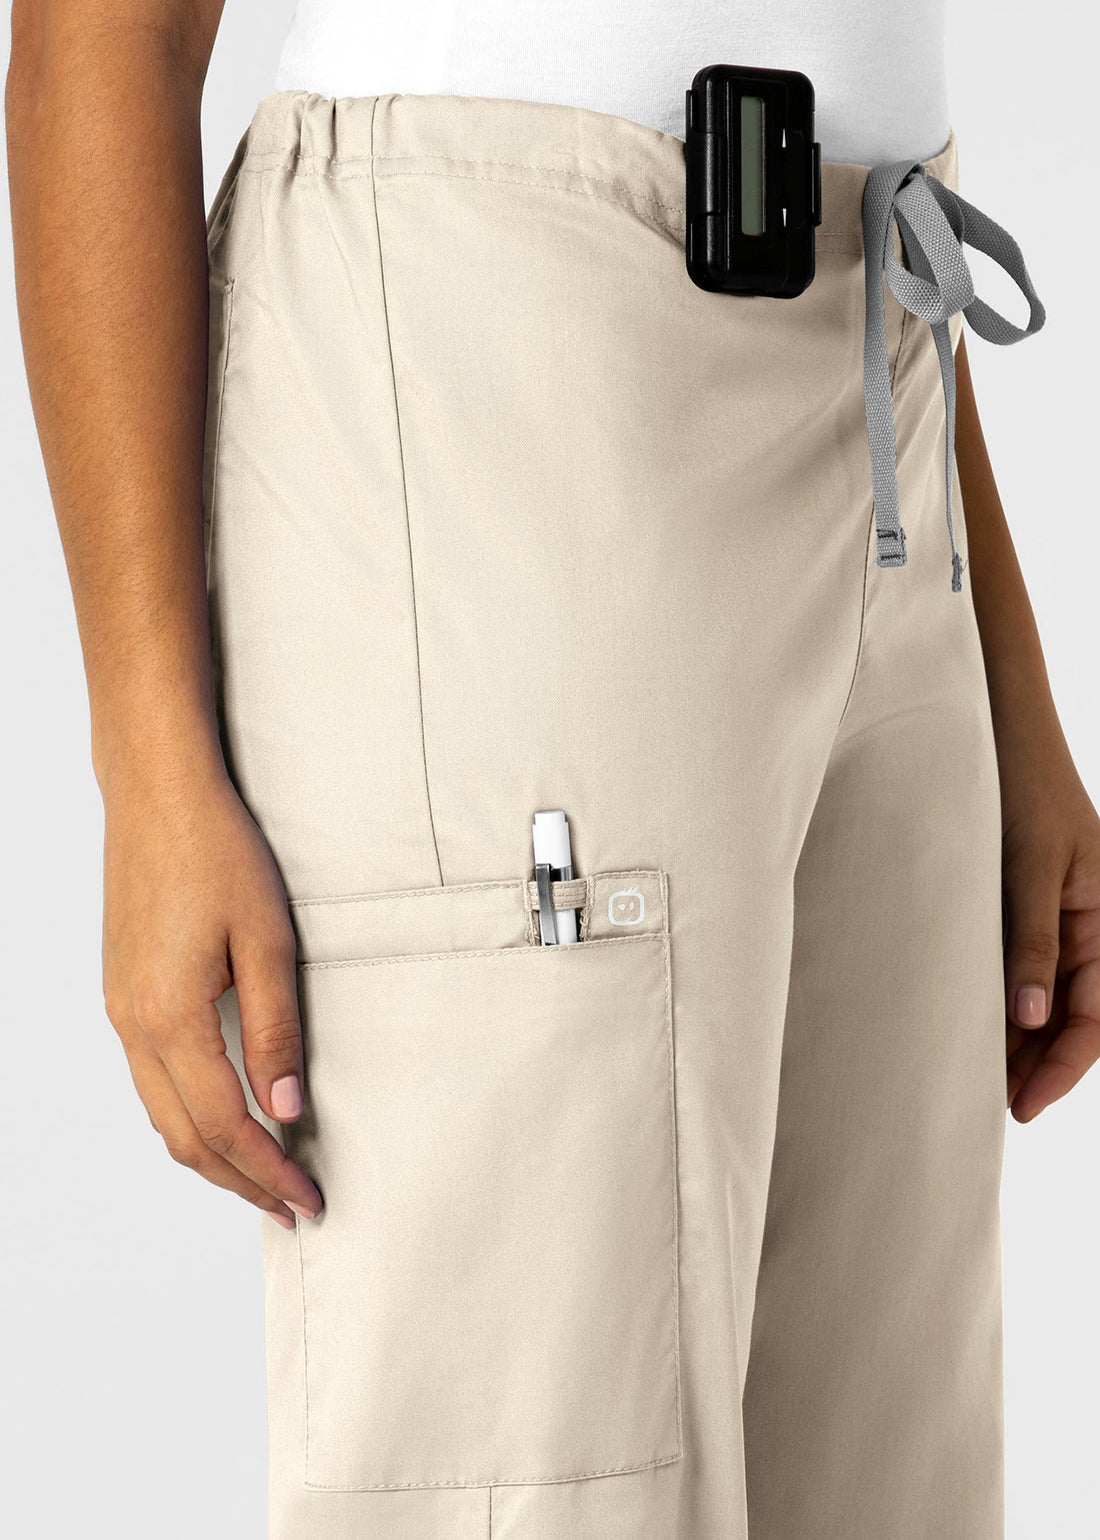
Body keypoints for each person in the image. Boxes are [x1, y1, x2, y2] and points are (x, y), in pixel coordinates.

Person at [7, 2, 1097, 1538]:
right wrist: (145, 750)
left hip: (887, 360)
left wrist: (1006, 679)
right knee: (542, 1479)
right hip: (501, 366)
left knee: (893, 1489)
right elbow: (104, 30)